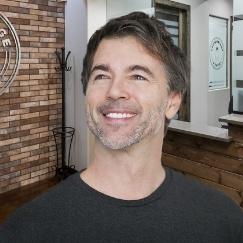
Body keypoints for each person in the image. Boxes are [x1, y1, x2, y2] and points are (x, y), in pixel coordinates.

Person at [1, 12, 243, 242]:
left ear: (172, 101)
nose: (114, 90)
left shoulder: (225, 220)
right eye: (102, 76)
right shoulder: (26, 230)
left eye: (138, 76)